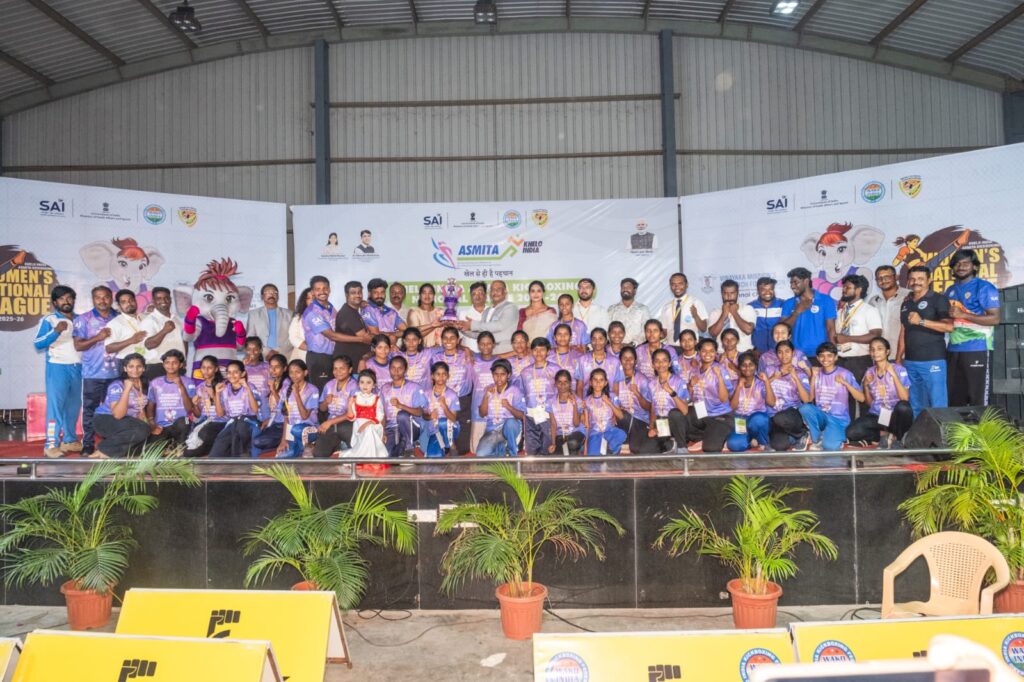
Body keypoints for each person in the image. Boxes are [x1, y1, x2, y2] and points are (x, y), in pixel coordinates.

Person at [945, 249, 1000, 407]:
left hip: (977, 347)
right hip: (953, 349)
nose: (960, 266)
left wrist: (964, 314)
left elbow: (995, 319)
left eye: (965, 263)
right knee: (955, 399)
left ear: (975, 266)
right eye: (957, 263)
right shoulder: (950, 290)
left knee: (978, 399)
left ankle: (982, 424)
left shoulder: (984, 287)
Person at [896, 265, 953, 417]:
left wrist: (921, 322)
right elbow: (903, 331)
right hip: (910, 361)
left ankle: (940, 433)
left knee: (938, 405)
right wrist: (898, 358)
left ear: (929, 280)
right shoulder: (906, 303)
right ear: (908, 281)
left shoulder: (939, 299)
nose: (916, 282)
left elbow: (949, 326)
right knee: (916, 405)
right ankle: (918, 432)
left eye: (921, 279)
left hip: (933, 360)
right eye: (912, 279)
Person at [35, 285, 82, 458]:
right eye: (61, 298)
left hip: (78, 368)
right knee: (56, 407)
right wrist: (56, 331)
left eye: (69, 298)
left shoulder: (80, 319)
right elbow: (38, 343)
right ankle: (51, 444)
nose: (66, 301)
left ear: (74, 300)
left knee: (73, 406)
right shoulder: (50, 319)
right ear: (55, 302)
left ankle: (69, 440)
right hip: (57, 367)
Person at [73, 285, 119, 456]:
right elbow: (78, 345)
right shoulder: (84, 319)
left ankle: (111, 444)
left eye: (105, 297)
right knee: (90, 410)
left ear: (111, 299)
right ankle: (88, 444)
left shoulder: (119, 318)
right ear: (92, 299)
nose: (102, 300)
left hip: (116, 374)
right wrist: (98, 337)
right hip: (92, 374)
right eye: (98, 297)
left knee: (115, 410)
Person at [846, 337, 913, 449]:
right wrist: (866, 385)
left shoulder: (899, 369)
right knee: (851, 432)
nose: (875, 352)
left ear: (887, 352)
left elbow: (905, 398)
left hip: (896, 416)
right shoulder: (869, 371)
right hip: (879, 415)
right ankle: (885, 435)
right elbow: (870, 403)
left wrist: (893, 374)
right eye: (872, 349)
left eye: (879, 349)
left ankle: (898, 439)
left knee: (904, 407)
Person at [798, 342, 865, 452]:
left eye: (829, 355)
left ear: (836, 357)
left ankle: (831, 435)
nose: (825, 359)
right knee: (804, 408)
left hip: (839, 420)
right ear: (817, 358)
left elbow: (861, 398)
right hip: (823, 417)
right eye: (822, 356)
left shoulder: (845, 374)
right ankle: (816, 438)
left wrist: (845, 383)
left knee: (830, 447)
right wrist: (813, 377)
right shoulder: (817, 373)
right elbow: (809, 399)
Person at [835, 274, 882, 417]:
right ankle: (848, 426)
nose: (844, 290)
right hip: (841, 360)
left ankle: (865, 427)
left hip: (860, 361)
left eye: (848, 287)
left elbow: (876, 335)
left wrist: (848, 338)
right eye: (843, 287)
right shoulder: (841, 311)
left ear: (859, 290)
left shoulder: (869, 310)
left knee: (864, 396)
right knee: (843, 396)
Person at [92, 353, 153, 458]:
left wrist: (148, 424)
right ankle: (104, 449)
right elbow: (118, 415)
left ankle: (113, 452)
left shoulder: (145, 384)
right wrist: (127, 389)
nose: (135, 370)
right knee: (142, 429)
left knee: (149, 438)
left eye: (139, 366)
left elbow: (140, 410)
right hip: (105, 420)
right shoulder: (117, 385)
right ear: (125, 368)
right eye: (131, 366)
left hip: (127, 422)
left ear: (143, 368)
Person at [429, 326, 475, 453]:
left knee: (463, 449)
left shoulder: (466, 355)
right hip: (443, 398)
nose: (448, 341)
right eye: (445, 338)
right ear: (441, 340)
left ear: (458, 340)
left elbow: (486, 356)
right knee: (443, 426)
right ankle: (444, 445)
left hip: (462, 399)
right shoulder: (435, 357)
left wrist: (465, 348)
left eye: (452, 338)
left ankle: (454, 446)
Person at [685, 339, 735, 453]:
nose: (708, 354)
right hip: (703, 414)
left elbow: (724, 399)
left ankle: (720, 437)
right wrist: (690, 386)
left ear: (716, 353)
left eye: (711, 351)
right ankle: (707, 436)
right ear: (699, 352)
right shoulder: (694, 370)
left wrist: (719, 377)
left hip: (721, 416)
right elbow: (690, 398)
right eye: (704, 351)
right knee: (683, 416)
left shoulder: (720, 369)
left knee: (710, 448)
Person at [780, 267, 837, 362]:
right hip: (796, 355)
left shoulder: (826, 300)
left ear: (806, 281)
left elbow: (831, 328)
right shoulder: (788, 303)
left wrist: (834, 352)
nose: (792, 286)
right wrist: (797, 312)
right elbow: (782, 329)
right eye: (791, 283)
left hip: (822, 355)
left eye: (795, 282)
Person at [765, 340, 811, 452]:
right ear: (776, 354)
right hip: (774, 414)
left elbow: (806, 399)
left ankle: (802, 433)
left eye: (787, 351)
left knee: (780, 418)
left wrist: (795, 378)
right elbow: (760, 389)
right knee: (779, 446)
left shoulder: (800, 373)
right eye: (780, 352)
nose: (784, 355)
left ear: (793, 353)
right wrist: (773, 378)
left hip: (792, 414)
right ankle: (793, 438)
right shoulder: (769, 370)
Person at [209, 360, 261, 458]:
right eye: (229, 372)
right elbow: (220, 414)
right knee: (216, 453)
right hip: (232, 423)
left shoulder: (250, 386)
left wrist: (247, 388)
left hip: (248, 422)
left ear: (243, 373)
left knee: (240, 425)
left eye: (235, 372)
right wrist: (217, 394)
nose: (231, 375)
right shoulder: (224, 388)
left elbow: (255, 410)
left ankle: (242, 454)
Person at [379, 356, 427, 457]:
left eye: (400, 368)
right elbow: (383, 414)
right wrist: (382, 431)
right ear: (389, 369)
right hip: (392, 428)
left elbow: (420, 412)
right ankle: (401, 448)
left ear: (405, 370)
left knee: (402, 415)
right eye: (393, 368)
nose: (396, 371)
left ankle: (409, 448)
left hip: (411, 427)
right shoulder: (384, 388)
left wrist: (401, 406)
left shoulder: (414, 387)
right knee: (387, 455)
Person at [726, 352, 774, 453]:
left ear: (755, 366)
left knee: (758, 419)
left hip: (758, 421)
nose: (747, 368)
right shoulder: (734, 383)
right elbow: (732, 407)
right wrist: (739, 387)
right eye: (744, 365)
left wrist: (766, 381)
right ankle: (751, 440)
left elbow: (771, 403)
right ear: (739, 367)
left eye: (751, 364)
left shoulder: (761, 383)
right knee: (733, 444)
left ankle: (763, 443)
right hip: (741, 421)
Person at [476, 359, 526, 457]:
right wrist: (486, 396)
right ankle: (501, 449)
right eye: (496, 374)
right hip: (492, 429)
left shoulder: (515, 390)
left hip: (510, 428)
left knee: (510, 423)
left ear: (508, 375)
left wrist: (509, 407)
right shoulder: (488, 389)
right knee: (481, 454)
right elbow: (482, 414)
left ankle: (512, 454)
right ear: (492, 375)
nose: (499, 378)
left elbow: (522, 416)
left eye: (502, 374)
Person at [146, 349, 195, 447]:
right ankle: (170, 445)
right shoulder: (155, 382)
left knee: (185, 421)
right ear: (163, 365)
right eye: (167, 362)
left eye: (174, 363)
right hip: (162, 426)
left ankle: (180, 448)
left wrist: (181, 386)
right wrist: (152, 423)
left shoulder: (188, 382)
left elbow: (190, 409)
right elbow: (150, 405)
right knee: (151, 449)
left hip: (182, 423)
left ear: (181, 365)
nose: (170, 365)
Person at [313, 355, 358, 458]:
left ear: (350, 370)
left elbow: (352, 414)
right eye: (335, 368)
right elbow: (322, 408)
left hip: (348, 423)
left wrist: (329, 422)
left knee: (357, 452)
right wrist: (326, 402)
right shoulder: (329, 385)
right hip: (331, 424)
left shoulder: (354, 386)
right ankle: (337, 446)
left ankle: (343, 447)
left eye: (342, 368)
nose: (338, 372)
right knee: (319, 454)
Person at [615, 346, 657, 454]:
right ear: (620, 360)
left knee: (636, 448)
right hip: (624, 418)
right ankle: (625, 439)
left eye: (631, 358)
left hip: (640, 420)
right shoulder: (615, 378)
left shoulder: (642, 379)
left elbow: (649, 407)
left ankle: (665, 445)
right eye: (624, 358)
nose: (628, 361)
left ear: (635, 360)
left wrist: (638, 394)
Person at [521, 337, 559, 455]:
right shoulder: (525, 372)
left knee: (547, 447)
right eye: (535, 350)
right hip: (531, 414)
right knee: (531, 449)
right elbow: (522, 392)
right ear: (531, 351)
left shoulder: (555, 369)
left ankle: (547, 466)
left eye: (542, 350)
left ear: (548, 352)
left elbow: (562, 389)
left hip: (549, 414)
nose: (538, 353)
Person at [275, 359, 319, 459]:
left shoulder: (312, 389)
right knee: (280, 457)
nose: (294, 375)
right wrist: (283, 440)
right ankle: (302, 449)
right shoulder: (286, 390)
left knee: (297, 429)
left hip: (309, 429)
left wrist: (296, 394)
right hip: (292, 432)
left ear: (305, 373)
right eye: (291, 372)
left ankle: (310, 447)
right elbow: (286, 417)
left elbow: (304, 416)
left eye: (297, 372)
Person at [183, 355, 226, 457]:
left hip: (221, 421)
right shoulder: (199, 388)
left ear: (216, 369)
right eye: (203, 367)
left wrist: (214, 395)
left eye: (209, 368)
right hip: (205, 421)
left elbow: (222, 414)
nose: (206, 371)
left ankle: (209, 450)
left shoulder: (223, 386)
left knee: (204, 433)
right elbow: (198, 414)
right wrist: (194, 405)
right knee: (189, 443)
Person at [648, 348, 689, 453]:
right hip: (661, 422)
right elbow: (653, 408)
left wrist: (671, 391)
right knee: (646, 447)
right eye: (657, 361)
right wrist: (651, 427)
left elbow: (684, 411)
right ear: (653, 364)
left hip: (675, 422)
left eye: (664, 360)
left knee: (675, 413)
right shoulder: (651, 383)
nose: (661, 364)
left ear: (670, 363)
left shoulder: (679, 381)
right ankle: (670, 443)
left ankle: (682, 449)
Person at [140, 286, 185, 382]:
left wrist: (183, 359)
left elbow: (183, 341)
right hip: (157, 367)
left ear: (170, 300)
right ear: (153, 301)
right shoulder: (149, 321)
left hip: (177, 366)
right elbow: (148, 345)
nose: (163, 301)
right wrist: (164, 331)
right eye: (159, 298)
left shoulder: (177, 319)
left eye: (166, 298)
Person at [462, 280, 518, 354]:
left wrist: (472, 325)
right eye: (492, 290)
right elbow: (481, 335)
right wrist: (462, 328)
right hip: (489, 354)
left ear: (505, 292)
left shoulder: (510, 307)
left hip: (505, 353)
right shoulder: (487, 311)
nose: (495, 292)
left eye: (498, 289)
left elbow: (500, 325)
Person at [419, 362, 461, 458]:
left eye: (444, 374)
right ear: (432, 376)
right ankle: (444, 448)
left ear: (448, 376)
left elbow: (453, 419)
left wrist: (444, 406)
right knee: (434, 456)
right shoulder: (426, 393)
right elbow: (423, 415)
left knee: (442, 422)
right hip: (434, 431)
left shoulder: (452, 394)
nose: (441, 377)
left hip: (450, 429)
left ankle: (451, 446)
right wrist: (430, 416)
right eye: (438, 374)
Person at [582, 368, 627, 455]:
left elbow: (621, 416)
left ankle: (610, 449)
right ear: (590, 382)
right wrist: (586, 445)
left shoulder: (612, 396)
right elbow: (587, 425)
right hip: (595, 434)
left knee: (621, 435)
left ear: (605, 382)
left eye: (601, 380)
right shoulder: (587, 401)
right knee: (593, 459)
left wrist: (609, 402)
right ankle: (605, 450)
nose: (598, 383)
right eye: (595, 380)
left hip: (609, 432)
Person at [346, 370, 388, 461]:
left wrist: (366, 424)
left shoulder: (376, 399)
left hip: (373, 425)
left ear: (374, 385)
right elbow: (351, 418)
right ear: (358, 384)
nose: (365, 385)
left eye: (368, 382)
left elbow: (380, 416)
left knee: (369, 430)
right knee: (366, 431)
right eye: (362, 382)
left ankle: (370, 458)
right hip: (358, 426)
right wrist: (349, 405)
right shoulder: (355, 398)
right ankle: (363, 457)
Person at [868, 265, 909, 358]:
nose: (883, 280)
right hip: (880, 356)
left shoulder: (909, 296)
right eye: (879, 278)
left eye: (887, 277)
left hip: (905, 355)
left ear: (896, 277)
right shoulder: (873, 301)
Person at [253, 353, 289, 455]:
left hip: (284, 424)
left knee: (258, 442)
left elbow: (284, 407)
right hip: (274, 422)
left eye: (277, 367)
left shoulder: (287, 383)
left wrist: (273, 390)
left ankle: (287, 442)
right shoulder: (274, 381)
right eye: (271, 367)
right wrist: (269, 419)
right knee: (254, 437)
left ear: (284, 368)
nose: (273, 370)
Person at [658, 272, 707, 347]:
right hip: (671, 347)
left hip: (690, 347)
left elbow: (703, 328)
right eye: (673, 284)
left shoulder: (696, 303)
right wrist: (655, 332)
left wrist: (696, 316)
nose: (676, 287)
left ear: (686, 285)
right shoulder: (666, 307)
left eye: (680, 283)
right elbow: (664, 332)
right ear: (670, 286)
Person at [248, 283, 294, 361]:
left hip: (284, 355)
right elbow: (251, 337)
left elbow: (293, 336)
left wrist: (278, 351)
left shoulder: (289, 314)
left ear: (278, 296)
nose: (271, 295)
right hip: (262, 356)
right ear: (262, 296)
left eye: (274, 292)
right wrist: (266, 351)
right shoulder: (253, 314)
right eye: (268, 292)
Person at [707, 279, 756, 353]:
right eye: (725, 293)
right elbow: (713, 334)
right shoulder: (715, 312)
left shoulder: (747, 309)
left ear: (737, 293)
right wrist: (724, 314)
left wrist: (735, 313)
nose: (729, 296)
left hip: (744, 352)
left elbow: (748, 330)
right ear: (722, 294)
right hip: (722, 352)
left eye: (732, 293)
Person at [470, 332, 498, 453]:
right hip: (477, 409)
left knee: (494, 447)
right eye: (482, 344)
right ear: (478, 345)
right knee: (477, 449)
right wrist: (465, 349)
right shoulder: (472, 360)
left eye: (488, 343)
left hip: (496, 410)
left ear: (493, 345)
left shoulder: (499, 361)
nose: (485, 346)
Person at [333, 281, 373, 365]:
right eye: (353, 293)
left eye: (359, 292)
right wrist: (385, 338)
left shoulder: (354, 311)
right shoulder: (348, 313)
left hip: (354, 360)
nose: (357, 295)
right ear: (346, 295)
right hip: (349, 363)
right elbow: (367, 339)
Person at [576, 328, 622, 398]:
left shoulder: (615, 361)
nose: (597, 342)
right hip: (587, 401)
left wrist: (613, 403)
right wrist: (581, 403)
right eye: (594, 339)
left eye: (600, 339)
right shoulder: (582, 360)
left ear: (606, 341)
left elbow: (615, 389)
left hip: (607, 401)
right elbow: (579, 387)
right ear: (591, 341)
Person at [547, 370, 584, 455]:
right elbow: (553, 424)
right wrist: (553, 444)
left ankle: (575, 454)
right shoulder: (551, 402)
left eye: (565, 382)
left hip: (575, 432)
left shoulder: (577, 401)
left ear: (570, 383)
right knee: (555, 456)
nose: (562, 385)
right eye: (559, 382)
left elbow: (576, 424)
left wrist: (574, 405)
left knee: (572, 443)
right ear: (555, 384)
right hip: (561, 434)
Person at [608, 277, 652, 347]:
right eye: (623, 287)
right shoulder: (612, 309)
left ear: (635, 291)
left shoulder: (643, 309)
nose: (625, 289)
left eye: (628, 287)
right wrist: (616, 344)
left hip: (637, 349)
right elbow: (607, 329)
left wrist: (633, 344)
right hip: (615, 349)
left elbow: (646, 331)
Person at [105, 290, 148, 360]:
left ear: (135, 301)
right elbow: (108, 348)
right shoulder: (114, 323)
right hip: (127, 363)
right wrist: (131, 340)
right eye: (123, 302)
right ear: (119, 306)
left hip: (149, 360)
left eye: (131, 300)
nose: (129, 303)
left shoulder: (146, 317)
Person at [362, 278, 406, 344]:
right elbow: (376, 334)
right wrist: (394, 336)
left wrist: (393, 336)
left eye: (382, 292)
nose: (379, 295)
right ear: (369, 294)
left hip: (391, 348)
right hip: (376, 348)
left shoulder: (391, 311)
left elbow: (405, 330)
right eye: (376, 292)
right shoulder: (367, 309)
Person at [748, 277, 783, 356]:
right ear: (758, 291)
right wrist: (753, 348)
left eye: (771, 289)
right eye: (763, 289)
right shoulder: (750, 306)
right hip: (757, 352)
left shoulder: (782, 304)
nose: (768, 292)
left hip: (778, 351)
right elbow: (747, 331)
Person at [407, 283, 444, 347]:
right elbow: (413, 335)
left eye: (430, 293)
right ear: (419, 296)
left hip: (440, 349)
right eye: (424, 293)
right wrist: (432, 326)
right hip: (421, 350)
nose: (427, 296)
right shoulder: (414, 312)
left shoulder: (440, 311)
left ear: (434, 296)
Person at [459, 281, 488, 352]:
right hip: (469, 355)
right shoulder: (463, 314)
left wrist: (472, 327)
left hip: (489, 355)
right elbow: (458, 339)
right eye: (474, 294)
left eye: (480, 293)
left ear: (485, 296)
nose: (477, 297)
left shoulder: (493, 312)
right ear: (471, 297)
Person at [288, 287, 312, 363]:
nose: (312, 300)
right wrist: (310, 348)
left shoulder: (327, 315)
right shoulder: (298, 317)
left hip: (323, 355)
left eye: (314, 297)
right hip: (302, 355)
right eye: (308, 298)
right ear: (304, 301)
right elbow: (293, 337)